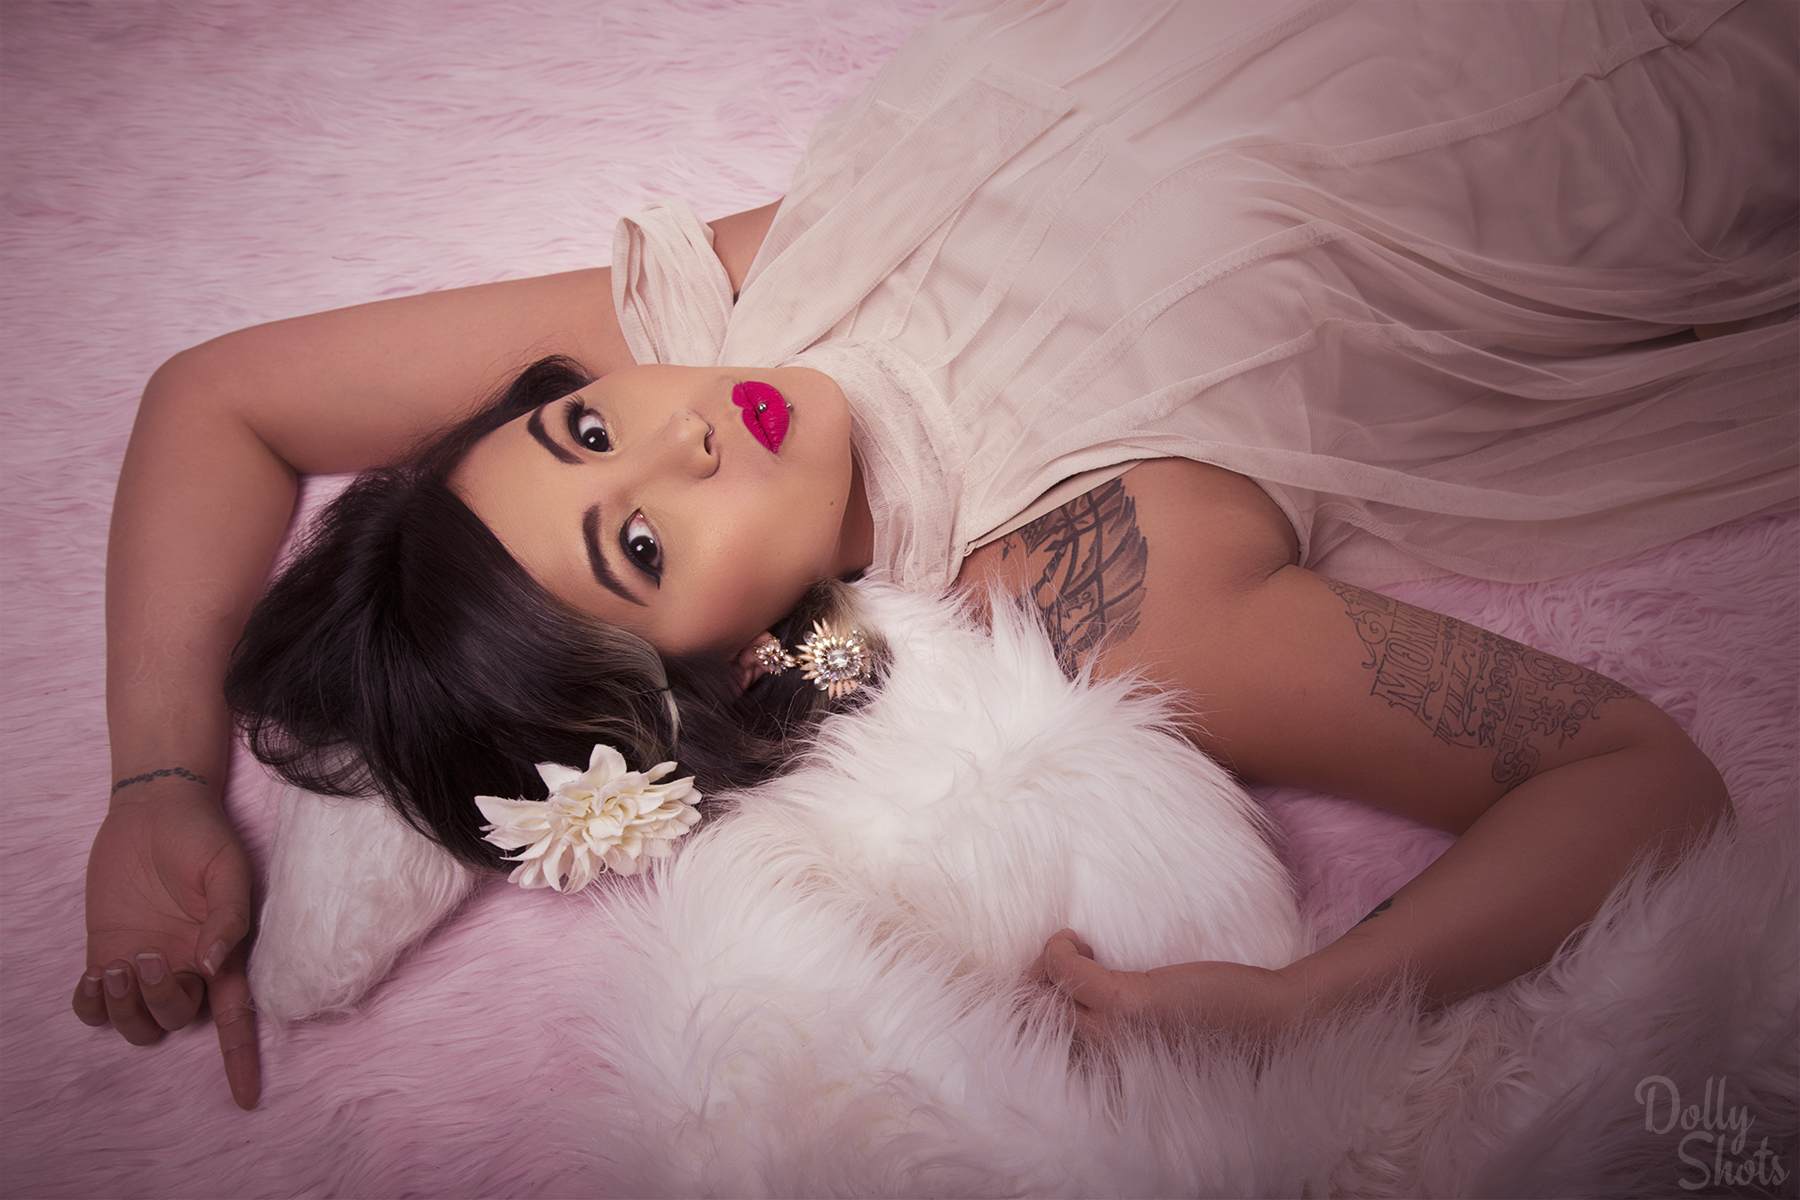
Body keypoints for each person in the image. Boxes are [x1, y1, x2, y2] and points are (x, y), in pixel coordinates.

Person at [74, 0, 1796, 1111]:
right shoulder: (1097, 572)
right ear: (730, 668)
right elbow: (1636, 779)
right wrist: (1316, 1005)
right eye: (643, 542)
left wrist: (154, 781)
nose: (681, 432)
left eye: (584, 427)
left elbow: (221, 396)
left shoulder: (736, 312)